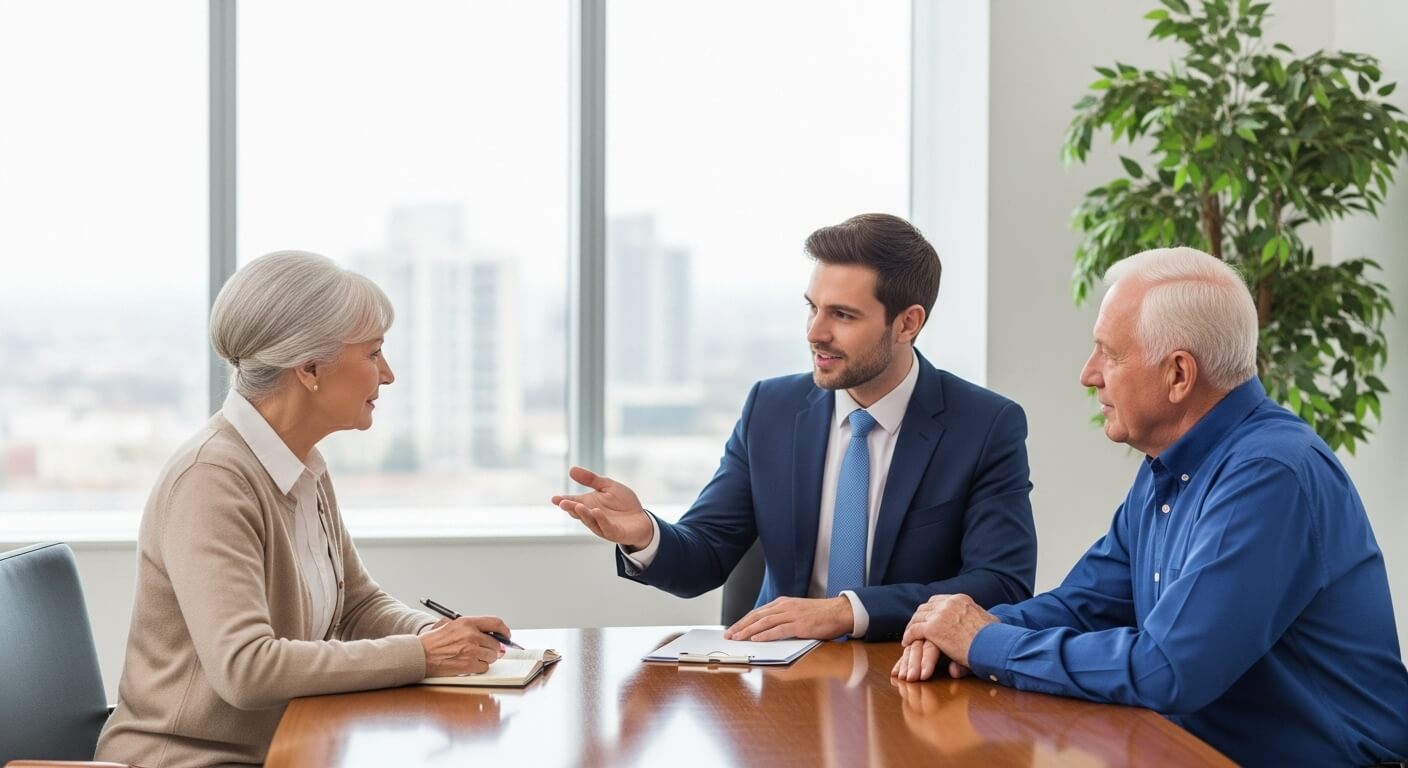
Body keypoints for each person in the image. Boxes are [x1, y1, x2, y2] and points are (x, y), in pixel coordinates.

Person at [894, 247, 1408, 766]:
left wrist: (984, 643)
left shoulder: (1270, 473)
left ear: (1179, 375)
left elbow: (1168, 669)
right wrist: (965, 629)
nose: (1088, 374)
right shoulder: (1168, 466)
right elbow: (1084, 605)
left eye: (1108, 354)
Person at [96, 252, 512, 767]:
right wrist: (423, 656)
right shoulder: (211, 479)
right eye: (374, 353)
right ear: (309, 368)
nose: (388, 374)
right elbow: (246, 669)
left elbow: (357, 607)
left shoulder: (302, 465)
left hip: (293, 747)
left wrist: (433, 637)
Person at [552, 213, 1036, 642]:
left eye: (842, 315)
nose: (815, 333)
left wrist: (847, 613)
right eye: (813, 307)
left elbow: (1001, 583)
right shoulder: (772, 408)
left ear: (907, 323)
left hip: (912, 678)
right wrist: (645, 534)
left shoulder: (985, 425)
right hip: (781, 684)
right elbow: (707, 554)